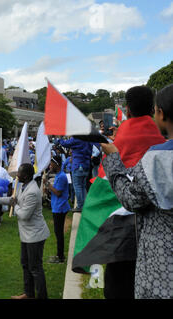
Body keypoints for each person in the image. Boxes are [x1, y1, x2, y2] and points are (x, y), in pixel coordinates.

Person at [100, 83, 173, 299]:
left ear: (159, 112)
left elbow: (130, 196)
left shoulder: (158, 156)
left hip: (151, 249)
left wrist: (112, 158)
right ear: (151, 111)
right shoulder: (159, 142)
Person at [0, 163, 50, 299]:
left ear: (25, 175)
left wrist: (15, 206)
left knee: (35, 268)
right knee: (25, 264)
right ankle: (29, 294)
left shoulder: (32, 191)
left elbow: (24, 214)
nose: (16, 175)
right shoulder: (22, 186)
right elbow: (14, 200)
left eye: (18, 173)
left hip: (35, 236)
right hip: (26, 235)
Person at [43, 155, 70, 263]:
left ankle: (60, 257)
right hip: (57, 206)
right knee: (57, 232)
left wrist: (48, 184)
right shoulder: (59, 175)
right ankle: (60, 255)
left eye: (51, 163)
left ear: (56, 164)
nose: (50, 166)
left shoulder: (62, 176)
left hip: (60, 207)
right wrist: (48, 188)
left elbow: (58, 193)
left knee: (59, 233)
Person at [55, 137, 93, 212]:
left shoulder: (76, 138)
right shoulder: (88, 139)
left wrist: (60, 138)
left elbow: (64, 144)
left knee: (78, 187)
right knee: (83, 186)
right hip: (86, 165)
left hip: (78, 165)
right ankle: (84, 204)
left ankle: (80, 206)